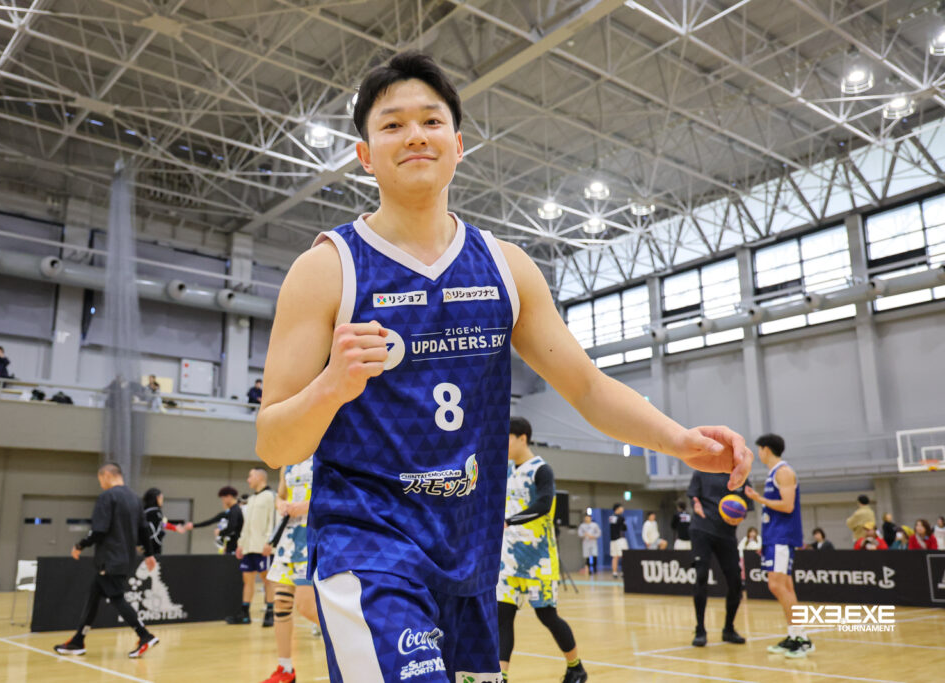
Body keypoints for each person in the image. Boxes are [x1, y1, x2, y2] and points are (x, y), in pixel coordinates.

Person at [253, 51, 752, 680]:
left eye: (431, 121)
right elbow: (274, 444)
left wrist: (678, 441)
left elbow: (588, 388)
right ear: (365, 155)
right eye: (392, 124)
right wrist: (332, 385)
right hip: (369, 545)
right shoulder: (327, 269)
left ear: (458, 145)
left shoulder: (506, 267)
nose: (415, 135)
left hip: (471, 552)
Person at [497, 418, 586, 683]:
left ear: (522, 437)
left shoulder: (541, 469)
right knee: (502, 617)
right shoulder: (506, 471)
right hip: (508, 559)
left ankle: (576, 667)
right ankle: (501, 676)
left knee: (547, 616)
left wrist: (510, 521)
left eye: (507, 438)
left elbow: (545, 504)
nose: (503, 444)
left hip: (539, 559)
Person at [53, 463, 159, 659]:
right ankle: (78, 640)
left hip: (110, 558)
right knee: (94, 594)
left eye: (100, 480)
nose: (101, 484)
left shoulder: (107, 497)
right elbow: (144, 530)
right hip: (126, 559)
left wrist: (80, 545)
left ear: (107, 476)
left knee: (117, 597)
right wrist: (149, 554)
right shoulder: (135, 499)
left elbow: (99, 530)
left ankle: (145, 635)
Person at [745, 434, 811, 658]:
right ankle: (796, 635)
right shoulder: (774, 473)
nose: (758, 454)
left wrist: (759, 499)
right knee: (785, 587)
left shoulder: (783, 471)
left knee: (777, 585)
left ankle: (800, 639)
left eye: (759, 449)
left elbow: (787, 505)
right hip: (774, 536)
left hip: (783, 536)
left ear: (766, 449)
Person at [262, 456, 319, 683]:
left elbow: (333, 494)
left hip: (312, 536)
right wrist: (281, 504)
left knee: (306, 607)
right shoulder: (287, 462)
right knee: (281, 604)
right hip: (289, 539)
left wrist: (305, 506)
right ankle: (285, 669)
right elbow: (280, 495)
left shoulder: (322, 454)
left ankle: (356, 645)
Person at [686, 470, 752, 647]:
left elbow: (745, 507)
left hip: (727, 534)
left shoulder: (740, 475)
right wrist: (696, 504)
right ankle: (700, 630)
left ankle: (729, 629)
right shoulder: (701, 471)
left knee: (735, 581)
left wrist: (739, 516)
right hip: (702, 529)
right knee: (701, 576)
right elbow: (693, 497)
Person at [231, 467, 276, 626]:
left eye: (250, 476)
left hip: (263, 547)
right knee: (247, 579)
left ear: (259, 477)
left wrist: (270, 542)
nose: (248, 480)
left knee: (267, 579)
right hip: (249, 547)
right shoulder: (251, 499)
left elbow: (274, 521)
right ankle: (244, 613)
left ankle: (270, 613)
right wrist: (241, 544)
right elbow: (246, 525)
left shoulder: (271, 496)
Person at [186, 486, 243, 554]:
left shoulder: (235, 511)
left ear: (229, 497)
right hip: (231, 546)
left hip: (236, 547)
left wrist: (220, 532)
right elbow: (212, 521)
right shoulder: (230, 511)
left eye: (223, 498)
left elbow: (231, 527)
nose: (223, 501)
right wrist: (194, 525)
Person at [142, 488, 183, 556]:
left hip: (148, 546)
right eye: (161, 498)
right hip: (152, 546)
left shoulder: (148, 511)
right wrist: (175, 528)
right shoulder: (154, 512)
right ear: (157, 498)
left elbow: (162, 523)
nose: (162, 500)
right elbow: (162, 523)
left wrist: (174, 527)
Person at [609, 504, 628, 578]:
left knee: (616, 556)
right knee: (619, 556)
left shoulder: (612, 517)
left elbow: (624, 528)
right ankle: (618, 572)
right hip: (619, 539)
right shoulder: (619, 518)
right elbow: (623, 527)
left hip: (614, 539)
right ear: (617, 509)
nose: (623, 509)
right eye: (621, 508)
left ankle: (617, 572)